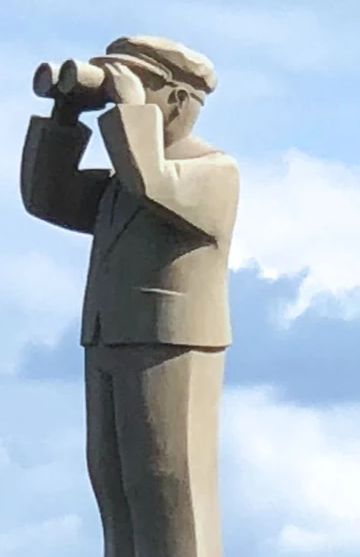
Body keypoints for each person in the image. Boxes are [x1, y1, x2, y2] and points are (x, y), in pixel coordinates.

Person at [19, 35, 238, 557]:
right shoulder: (126, 180)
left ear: (180, 100)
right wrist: (66, 114)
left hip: (172, 344)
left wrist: (130, 108)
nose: (122, 97)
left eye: (142, 84)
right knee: (115, 482)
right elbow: (47, 198)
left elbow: (153, 184)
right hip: (108, 337)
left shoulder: (213, 172)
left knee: (169, 482)